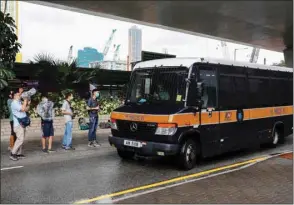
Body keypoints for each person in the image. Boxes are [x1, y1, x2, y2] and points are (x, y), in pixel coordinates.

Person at [10, 89, 30, 161]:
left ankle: (19, 153)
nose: (20, 95)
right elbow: (23, 108)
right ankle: (13, 153)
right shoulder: (14, 103)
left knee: (21, 139)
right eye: (18, 94)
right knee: (20, 139)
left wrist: (27, 103)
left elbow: (26, 109)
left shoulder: (18, 102)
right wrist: (25, 101)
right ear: (14, 96)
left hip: (22, 123)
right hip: (18, 125)